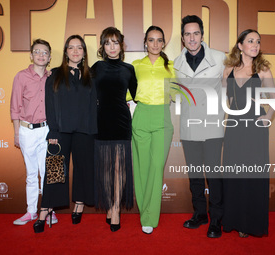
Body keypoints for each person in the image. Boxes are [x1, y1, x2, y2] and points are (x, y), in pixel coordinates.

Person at [33, 35, 97, 233]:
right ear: (66, 51)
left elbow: (94, 106)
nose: (75, 51)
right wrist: (52, 130)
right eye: (71, 48)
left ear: (84, 52)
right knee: (54, 171)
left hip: (85, 131)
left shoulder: (91, 76)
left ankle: (79, 205)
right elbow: (50, 105)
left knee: (83, 169)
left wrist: (94, 130)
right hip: (60, 131)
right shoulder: (54, 75)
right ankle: (45, 210)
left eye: (79, 48)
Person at [174, 15, 226, 238]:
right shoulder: (176, 63)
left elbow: (231, 86)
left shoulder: (220, 58)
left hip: (213, 125)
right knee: (194, 175)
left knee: (213, 175)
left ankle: (216, 220)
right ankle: (200, 214)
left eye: (196, 33)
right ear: (183, 38)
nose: (192, 38)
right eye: (187, 34)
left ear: (202, 35)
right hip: (189, 126)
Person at [222, 29, 275, 238]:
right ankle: (234, 219)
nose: (255, 45)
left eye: (258, 42)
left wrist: (267, 118)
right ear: (240, 45)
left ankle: (250, 222)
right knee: (235, 173)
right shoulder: (229, 69)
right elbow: (224, 96)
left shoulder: (262, 69)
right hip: (235, 125)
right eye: (251, 41)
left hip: (255, 127)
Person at [91, 27, 137, 232]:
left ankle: (116, 207)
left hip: (121, 122)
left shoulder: (129, 69)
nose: (112, 47)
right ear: (102, 46)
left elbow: (137, 96)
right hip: (100, 122)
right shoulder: (96, 67)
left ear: (121, 45)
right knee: (105, 169)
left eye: (115, 42)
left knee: (119, 168)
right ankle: (110, 204)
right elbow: (84, 93)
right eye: (107, 43)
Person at [131, 26, 175, 234]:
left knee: (156, 166)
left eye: (159, 40)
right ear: (145, 43)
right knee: (142, 167)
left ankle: (150, 216)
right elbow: (126, 93)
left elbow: (181, 93)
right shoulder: (135, 65)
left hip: (163, 116)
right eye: (151, 40)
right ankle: (144, 212)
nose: (155, 44)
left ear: (164, 43)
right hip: (141, 115)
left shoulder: (172, 66)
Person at [10, 39, 58, 226]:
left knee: (48, 172)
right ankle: (31, 211)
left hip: (46, 130)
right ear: (31, 55)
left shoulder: (52, 77)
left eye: (44, 52)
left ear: (50, 57)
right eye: (37, 51)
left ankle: (49, 211)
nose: (41, 55)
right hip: (26, 130)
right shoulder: (21, 77)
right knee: (31, 174)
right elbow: (15, 106)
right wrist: (16, 134)